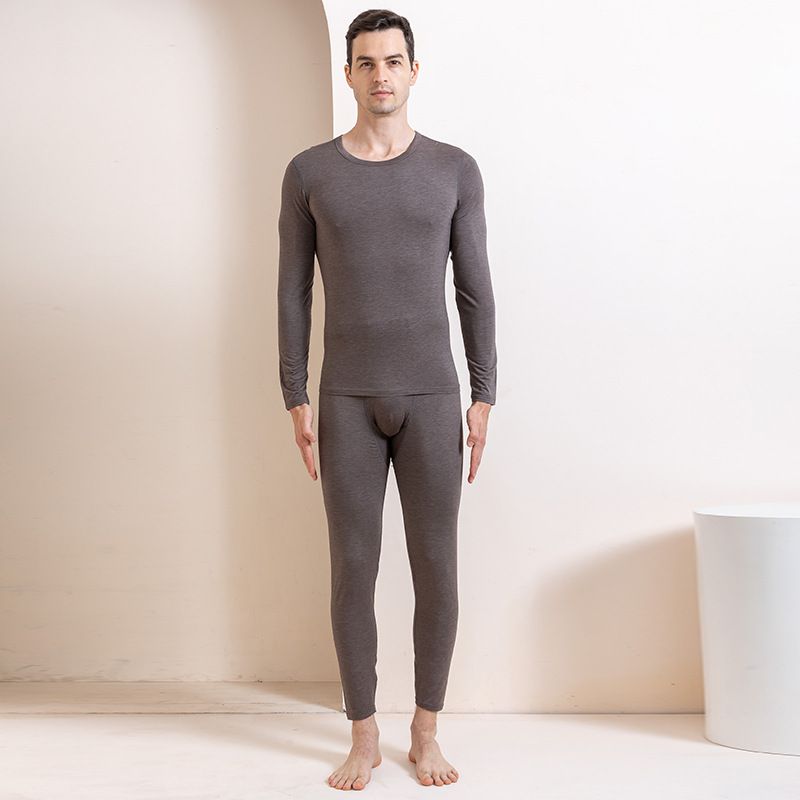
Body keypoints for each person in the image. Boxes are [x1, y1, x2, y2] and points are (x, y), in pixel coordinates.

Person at [277, 8, 497, 791]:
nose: (380, 75)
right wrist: (294, 392)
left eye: (393, 61)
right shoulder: (310, 172)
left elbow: (475, 289)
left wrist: (484, 394)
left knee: (437, 567)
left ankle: (426, 731)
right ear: (348, 74)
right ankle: (363, 734)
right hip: (346, 399)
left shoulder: (454, 169)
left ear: (413, 70)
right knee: (353, 568)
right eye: (366, 62)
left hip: (433, 396)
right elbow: (293, 289)